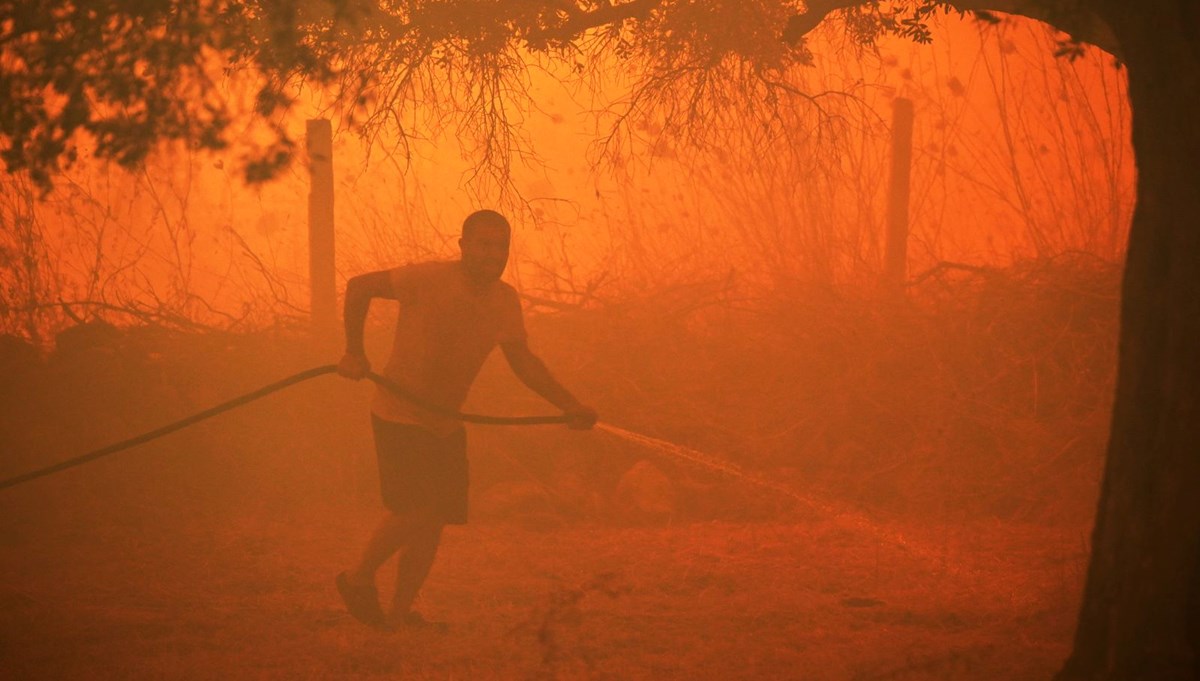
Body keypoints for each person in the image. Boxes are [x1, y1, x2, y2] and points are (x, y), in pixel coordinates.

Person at [334, 209, 597, 630]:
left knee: (433, 521)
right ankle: (357, 577)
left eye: (501, 246)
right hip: (399, 414)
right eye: (484, 244)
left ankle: (399, 618)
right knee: (420, 508)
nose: (493, 254)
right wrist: (354, 351)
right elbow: (359, 286)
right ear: (463, 246)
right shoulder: (427, 278)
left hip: (445, 423)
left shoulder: (503, 301)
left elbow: (523, 360)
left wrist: (569, 404)